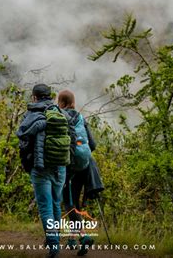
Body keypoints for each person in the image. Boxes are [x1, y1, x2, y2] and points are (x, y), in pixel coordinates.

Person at [16, 84, 70, 258]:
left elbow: (22, 137)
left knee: (45, 207)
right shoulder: (61, 113)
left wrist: (27, 163)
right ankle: (54, 239)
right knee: (55, 204)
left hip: (40, 167)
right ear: (50, 96)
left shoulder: (32, 114)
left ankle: (53, 245)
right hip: (60, 166)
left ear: (34, 97)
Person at [58, 89, 95, 256]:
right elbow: (92, 144)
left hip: (69, 165)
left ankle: (84, 236)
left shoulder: (60, 117)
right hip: (83, 164)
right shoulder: (81, 118)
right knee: (75, 203)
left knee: (68, 203)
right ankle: (73, 239)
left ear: (62, 103)